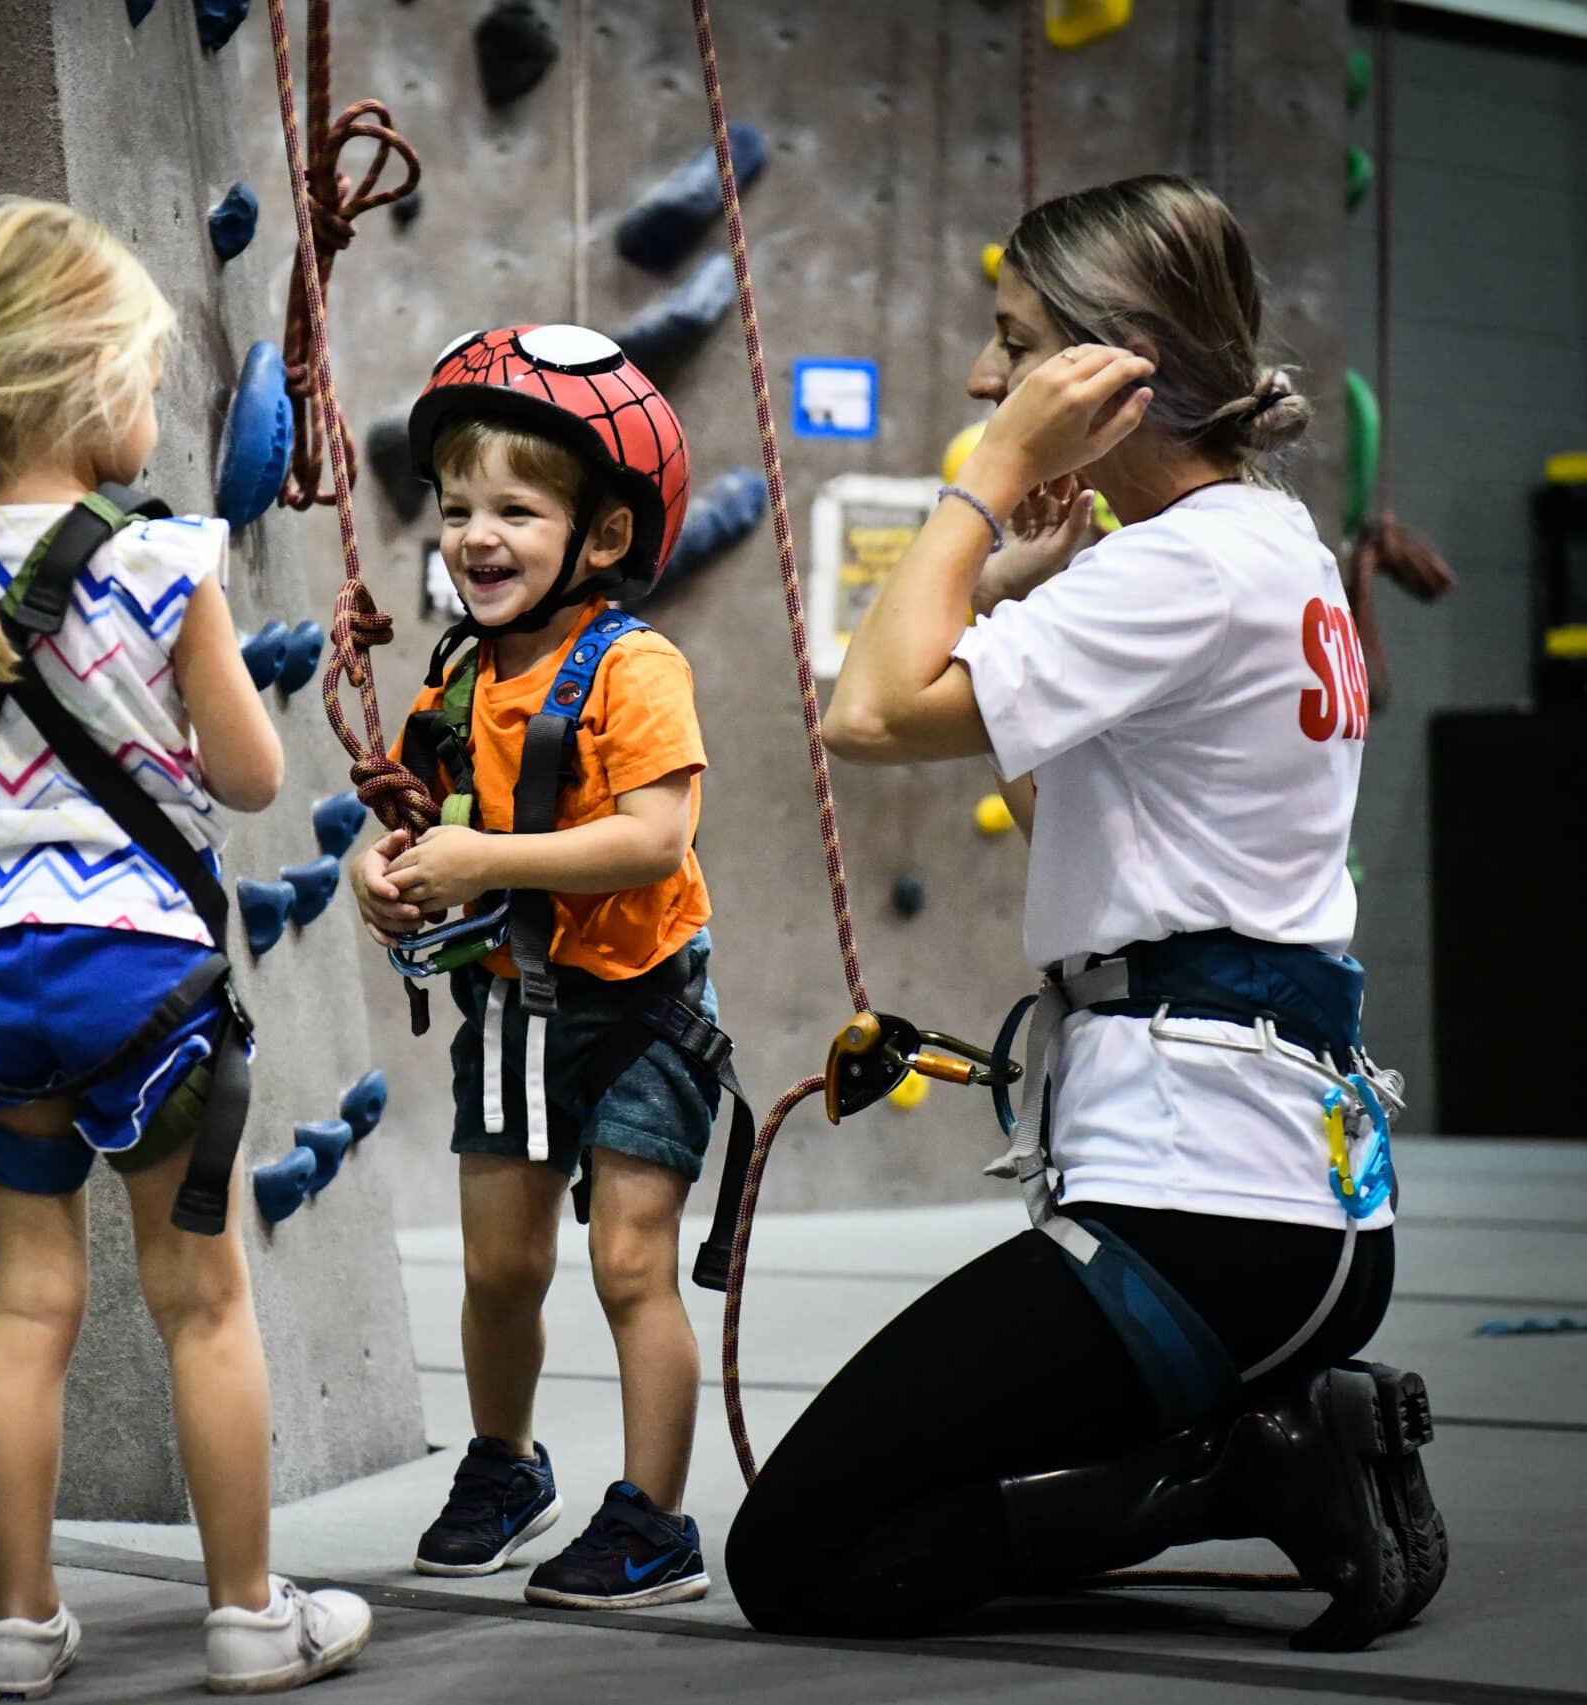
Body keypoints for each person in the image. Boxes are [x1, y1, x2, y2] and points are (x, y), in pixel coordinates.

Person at [725, 174, 1443, 1651]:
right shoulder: (1262, 547)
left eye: (1016, 347)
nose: (988, 380)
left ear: (1109, 374)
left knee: (800, 1556)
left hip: (1203, 1211)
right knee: (869, 1501)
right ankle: (1253, 1443)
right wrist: (1020, 579)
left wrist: (982, 486)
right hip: (1282, 1206)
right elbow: (1085, 824)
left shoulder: (1185, 571)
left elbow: (863, 712)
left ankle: (1238, 1468)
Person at [0, 197, 372, 1698]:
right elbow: (256, 775)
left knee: (25, 1304)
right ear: (89, 385)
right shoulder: (167, 560)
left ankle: (15, 1626)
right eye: (143, 375)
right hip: (143, 978)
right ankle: (252, 1616)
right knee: (199, 1299)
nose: (153, 405)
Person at [352, 325, 743, 1610]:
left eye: (516, 508)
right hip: (512, 1011)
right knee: (499, 1266)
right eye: (457, 505)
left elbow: (654, 836)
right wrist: (391, 870)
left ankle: (654, 1522)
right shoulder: (459, 672)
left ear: (606, 537)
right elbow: (421, 819)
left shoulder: (635, 666)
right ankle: (508, 1465)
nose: (475, 534)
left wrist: (489, 862)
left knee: (631, 1262)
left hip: (639, 1010)